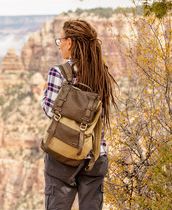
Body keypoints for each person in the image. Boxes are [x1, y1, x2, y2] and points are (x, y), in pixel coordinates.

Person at [41, 19, 117, 210]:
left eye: (60, 41)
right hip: (95, 155)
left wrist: (43, 94)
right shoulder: (102, 74)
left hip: (64, 155)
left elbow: (50, 110)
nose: (59, 47)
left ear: (70, 42)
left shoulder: (58, 73)